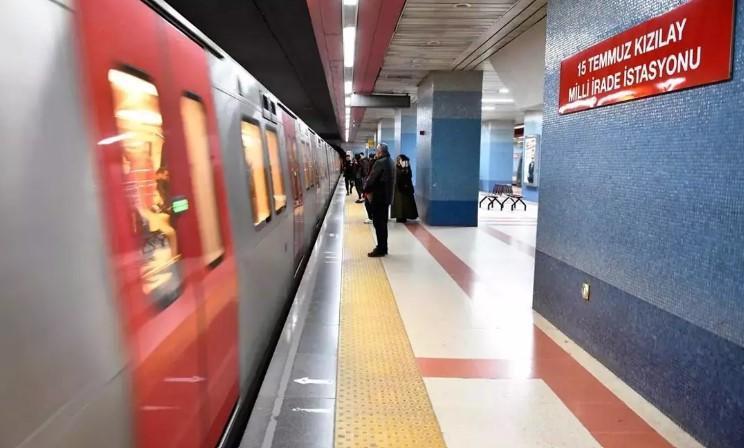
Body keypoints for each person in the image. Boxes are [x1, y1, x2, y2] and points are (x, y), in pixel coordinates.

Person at [363, 143, 394, 257]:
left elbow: (372, 179)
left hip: (378, 198)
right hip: (386, 198)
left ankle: (380, 249)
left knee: (378, 224)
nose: (376, 153)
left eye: (377, 151)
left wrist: (365, 189)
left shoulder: (380, 162)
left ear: (380, 152)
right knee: (383, 224)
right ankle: (383, 247)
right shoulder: (391, 161)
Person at [390, 154, 418, 223]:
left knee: (404, 203)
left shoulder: (406, 167)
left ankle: (403, 216)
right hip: (399, 188)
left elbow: (408, 176)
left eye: (399, 159)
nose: (398, 161)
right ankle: (399, 216)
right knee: (400, 203)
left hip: (404, 187)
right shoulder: (396, 167)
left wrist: (405, 169)